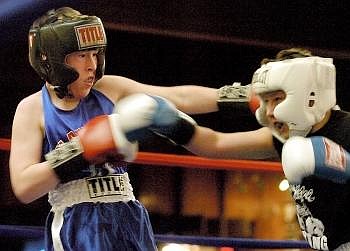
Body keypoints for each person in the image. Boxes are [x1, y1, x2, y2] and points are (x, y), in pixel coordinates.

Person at [9, 6, 255, 251]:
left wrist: (243, 96)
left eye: (95, 54)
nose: (92, 65)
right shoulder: (32, 109)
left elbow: (178, 97)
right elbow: (24, 186)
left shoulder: (109, 88)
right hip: (78, 225)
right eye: (82, 56)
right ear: (51, 58)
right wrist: (82, 149)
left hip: (129, 217)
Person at [116, 48, 350, 251]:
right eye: (265, 101)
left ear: (310, 96)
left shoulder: (346, 128)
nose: (269, 112)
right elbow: (213, 143)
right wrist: (169, 123)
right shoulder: (284, 138)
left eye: (278, 99)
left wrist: (343, 163)